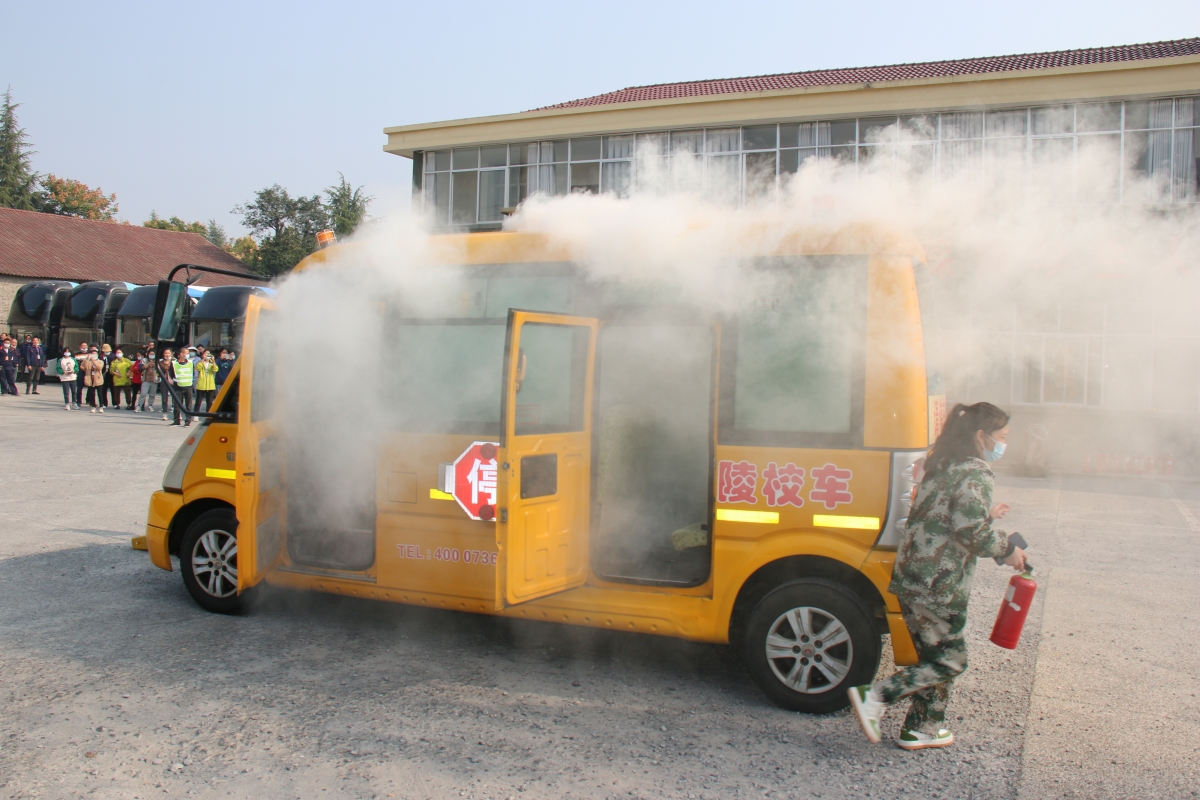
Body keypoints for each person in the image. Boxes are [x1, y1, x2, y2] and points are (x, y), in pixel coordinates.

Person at [849, 402, 1024, 752]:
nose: (1004, 444)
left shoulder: (943, 464)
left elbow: (944, 513)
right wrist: (1008, 550)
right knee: (950, 660)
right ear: (981, 436)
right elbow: (969, 531)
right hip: (938, 584)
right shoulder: (976, 472)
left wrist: (986, 514)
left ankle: (924, 726)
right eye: (1002, 437)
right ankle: (877, 696)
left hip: (913, 576)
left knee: (933, 656)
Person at [171, 349, 195, 427]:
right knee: (177, 405)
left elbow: (193, 373)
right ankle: (176, 420)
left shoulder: (191, 363)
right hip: (178, 387)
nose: (188, 354)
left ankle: (188, 421)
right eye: (186, 353)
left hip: (188, 386)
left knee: (188, 405)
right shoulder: (174, 363)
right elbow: (171, 374)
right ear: (181, 354)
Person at [83, 349, 106, 413]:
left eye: (94, 354)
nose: (93, 356)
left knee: (100, 394)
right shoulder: (88, 362)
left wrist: (94, 361)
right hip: (90, 379)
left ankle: (101, 406)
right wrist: (87, 359)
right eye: (92, 354)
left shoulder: (100, 361)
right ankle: (93, 406)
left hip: (98, 379)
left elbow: (99, 368)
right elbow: (83, 366)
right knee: (92, 394)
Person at [158, 349, 175, 421]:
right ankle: (164, 413)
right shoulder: (160, 362)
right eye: (165, 353)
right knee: (164, 397)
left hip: (173, 381)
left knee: (175, 396)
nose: (167, 355)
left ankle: (176, 411)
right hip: (164, 381)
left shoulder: (174, 361)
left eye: (168, 353)